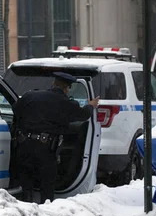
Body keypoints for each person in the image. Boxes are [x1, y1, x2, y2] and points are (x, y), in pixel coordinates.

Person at [12, 72, 100, 204]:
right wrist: (91, 105)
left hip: (23, 145)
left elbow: (16, 111)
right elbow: (82, 115)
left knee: (26, 182)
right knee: (47, 184)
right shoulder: (65, 102)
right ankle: (46, 210)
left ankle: (26, 206)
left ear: (53, 84)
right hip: (45, 149)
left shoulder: (29, 95)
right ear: (67, 88)